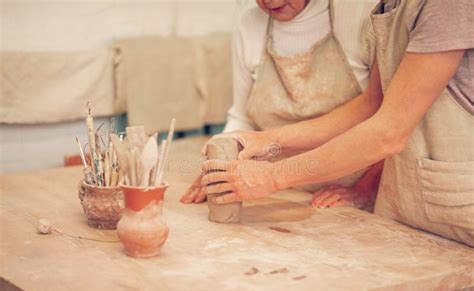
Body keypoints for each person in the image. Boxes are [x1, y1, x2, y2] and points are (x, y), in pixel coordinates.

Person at [200, 0, 474, 248]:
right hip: (405, 210)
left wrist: (273, 176)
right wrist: (270, 139)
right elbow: (372, 104)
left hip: (457, 211)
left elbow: (388, 132)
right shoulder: (390, 5)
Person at [181, 0, 382, 208]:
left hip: (351, 190)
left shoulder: (362, 15)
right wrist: (221, 165)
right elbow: (242, 118)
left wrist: (367, 188)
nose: (269, 1)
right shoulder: (249, 23)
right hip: (279, 189)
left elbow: (389, 120)